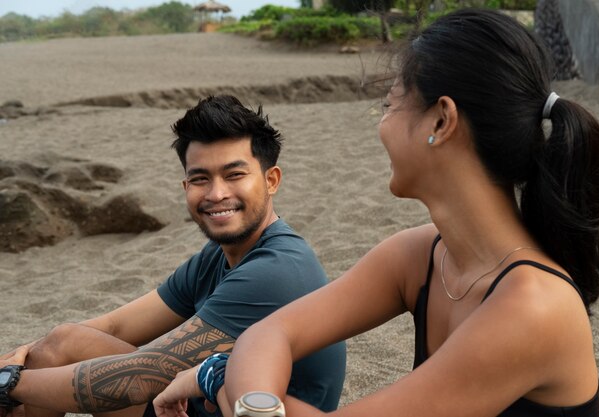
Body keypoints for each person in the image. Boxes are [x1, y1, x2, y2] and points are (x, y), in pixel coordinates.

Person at [153, 8, 599, 417]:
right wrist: (236, 379)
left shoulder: (533, 306)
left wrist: (223, 382)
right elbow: (268, 335)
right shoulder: (421, 255)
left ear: (441, 121)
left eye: (389, 105)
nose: (382, 125)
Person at [0, 95, 346, 417]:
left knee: (58, 357)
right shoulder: (217, 256)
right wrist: (23, 355)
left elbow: (140, 375)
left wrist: (12, 382)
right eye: (200, 178)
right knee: (57, 347)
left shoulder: (277, 269)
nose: (217, 193)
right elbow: (115, 325)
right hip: (190, 404)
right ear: (186, 188)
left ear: (271, 180)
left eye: (234, 174)